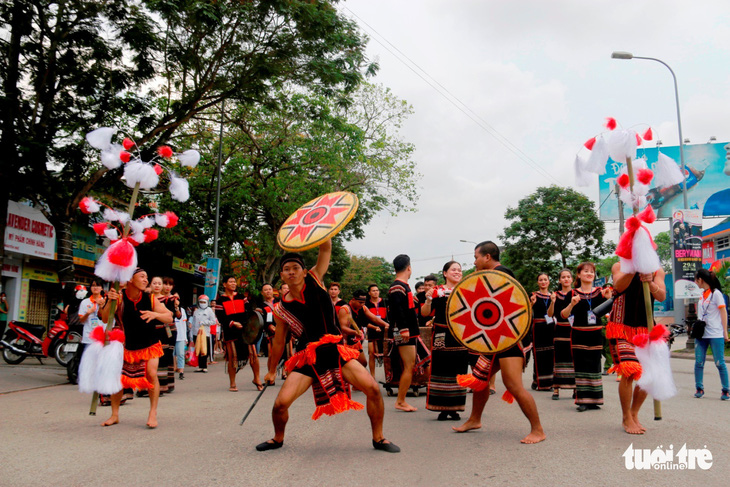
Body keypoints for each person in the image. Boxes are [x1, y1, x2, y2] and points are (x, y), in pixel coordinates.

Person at [258, 239, 400, 453]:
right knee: (280, 404)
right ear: (281, 275)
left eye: (296, 268)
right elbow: (278, 341)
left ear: (304, 271)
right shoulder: (281, 309)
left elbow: (325, 249)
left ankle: (378, 438)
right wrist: (270, 371)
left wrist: (324, 229)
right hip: (307, 356)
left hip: (335, 350)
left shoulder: (315, 278)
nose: (291, 272)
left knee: (372, 389)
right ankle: (277, 438)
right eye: (286, 270)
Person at [454, 241, 546, 444]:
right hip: (494, 341)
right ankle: (474, 419)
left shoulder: (502, 274)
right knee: (480, 379)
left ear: (487, 257)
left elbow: (511, 310)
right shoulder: (491, 276)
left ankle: (538, 430)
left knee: (513, 384)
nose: (475, 260)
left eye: (476, 256)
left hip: (510, 340)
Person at [99, 268, 173, 428]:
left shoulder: (151, 299)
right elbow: (105, 318)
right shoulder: (118, 297)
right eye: (142, 277)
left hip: (150, 344)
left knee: (151, 374)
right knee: (119, 380)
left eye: (147, 277)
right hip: (127, 345)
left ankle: (153, 413)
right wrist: (110, 301)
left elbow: (169, 316)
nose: (146, 280)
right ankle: (114, 415)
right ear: (130, 280)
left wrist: (155, 315)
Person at [608, 263, 666, 434]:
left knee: (647, 375)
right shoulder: (619, 266)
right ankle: (626, 417)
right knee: (629, 369)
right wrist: (633, 269)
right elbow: (618, 285)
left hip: (645, 329)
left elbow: (662, 296)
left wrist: (651, 282)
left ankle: (634, 414)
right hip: (621, 327)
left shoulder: (656, 270)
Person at [561, 262, 613, 411]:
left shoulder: (601, 292)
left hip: (595, 334)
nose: (589, 274)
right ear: (579, 275)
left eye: (591, 271)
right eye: (585, 271)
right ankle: (583, 400)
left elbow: (609, 313)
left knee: (595, 366)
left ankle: (595, 400)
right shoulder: (572, 294)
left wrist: (609, 299)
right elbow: (564, 315)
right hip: (578, 334)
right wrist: (571, 304)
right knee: (581, 366)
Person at [421, 260, 468, 420]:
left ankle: (455, 407)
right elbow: (425, 313)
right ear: (445, 273)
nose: (457, 272)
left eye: (459, 270)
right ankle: (441, 407)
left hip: (461, 335)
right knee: (441, 369)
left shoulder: (467, 289)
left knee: (459, 370)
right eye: (453, 269)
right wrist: (428, 300)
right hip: (441, 334)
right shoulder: (436, 291)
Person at [388, 254, 422, 412]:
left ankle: (401, 400)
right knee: (409, 365)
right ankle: (400, 401)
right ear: (409, 268)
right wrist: (404, 328)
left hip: (408, 330)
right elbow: (397, 310)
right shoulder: (397, 287)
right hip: (404, 331)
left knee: (410, 365)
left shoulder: (402, 286)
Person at [216, 276, 260, 391]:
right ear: (224, 284)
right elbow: (221, 318)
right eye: (230, 282)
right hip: (231, 332)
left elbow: (249, 312)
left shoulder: (242, 298)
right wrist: (233, 323)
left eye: (234, 282)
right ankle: (233, 383)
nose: (233, 283)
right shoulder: (220, 301)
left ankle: (257, 379)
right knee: (232, 357)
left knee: (253, 355)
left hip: (245, 331)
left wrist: (247, 323)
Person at [692, 268, 729, 401]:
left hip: (715, 333)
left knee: (720, 363)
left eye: (696, 280)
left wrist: (725, 331)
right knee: (699, 362)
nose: (696, 283)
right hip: (702, 334)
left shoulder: (716, 294)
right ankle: (699, 388)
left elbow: (723, 312)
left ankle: (726, 390)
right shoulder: (702, 295)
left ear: (700, 280)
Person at [547, 269, 576, 400]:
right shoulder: (555, 295)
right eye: (563, 277)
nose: (566, 279)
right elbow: (550, 314)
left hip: (573, 330)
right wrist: (552, 302)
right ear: (559, 280)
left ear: (572, 279)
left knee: (573, 359)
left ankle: (576, 388)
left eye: (568, 277)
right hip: (560, 329)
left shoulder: (577, 294)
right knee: (558, 358)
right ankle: (556, 388)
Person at [530, 273, 554, 391]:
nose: (543, 282)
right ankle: (539, 381)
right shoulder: (534, 295)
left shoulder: (553, 296)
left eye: (545, 279)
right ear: (538, 282)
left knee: (550, 353)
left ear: (549, 281)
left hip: (550, 326)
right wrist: (531, 304)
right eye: (541, 280)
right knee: (538, 354)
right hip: (538, 327)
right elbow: (527, 311)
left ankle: (548, 381)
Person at [337, 290, 367, 366]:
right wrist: (355, 332)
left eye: (364, 303)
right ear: (353, 299)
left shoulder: (362, 308)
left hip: (355, 342)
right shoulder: (345, 309)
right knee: (348, 365)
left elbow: (374, 318)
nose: (362, 304)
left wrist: (386, 325)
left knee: (363, 363)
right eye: (360, 303)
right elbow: (342, 327)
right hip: (345, 343)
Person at [365, 284, 389, 376]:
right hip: (372, 330)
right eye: (373, 290)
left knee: (387, 355)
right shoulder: (366, 304)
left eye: (377, 290)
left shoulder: (386, 302)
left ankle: (388, 376)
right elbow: (365, 321)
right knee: (371, 354)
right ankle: (372, 377)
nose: (376, 292)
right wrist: (374, 327)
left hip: (385, 331)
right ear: (369, 293)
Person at [191, 295, 217, 373]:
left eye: (204, 302)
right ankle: (200, 366)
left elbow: (213, 321)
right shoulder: (196, 311)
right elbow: (193, 322)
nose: (202, 303)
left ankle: (204, 366)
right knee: (198, 349)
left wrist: (204, 323)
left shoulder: (209, 311)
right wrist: (191, 334)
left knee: (204, 349)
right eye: (201, 302)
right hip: (196, 332)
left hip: (205, 333)